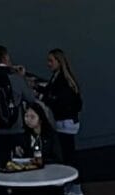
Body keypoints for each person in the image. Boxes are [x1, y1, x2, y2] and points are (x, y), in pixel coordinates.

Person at [38, 48, 83, 184]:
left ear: (59, 61)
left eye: (51, 61)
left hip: (65, 121)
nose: (48, 64)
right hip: (66, 121)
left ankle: (74, 184)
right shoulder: (60, 78)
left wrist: (44, 97)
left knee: (67, 154)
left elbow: (58, 100)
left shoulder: (61, 81)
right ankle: (72, 183)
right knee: (67, 153)